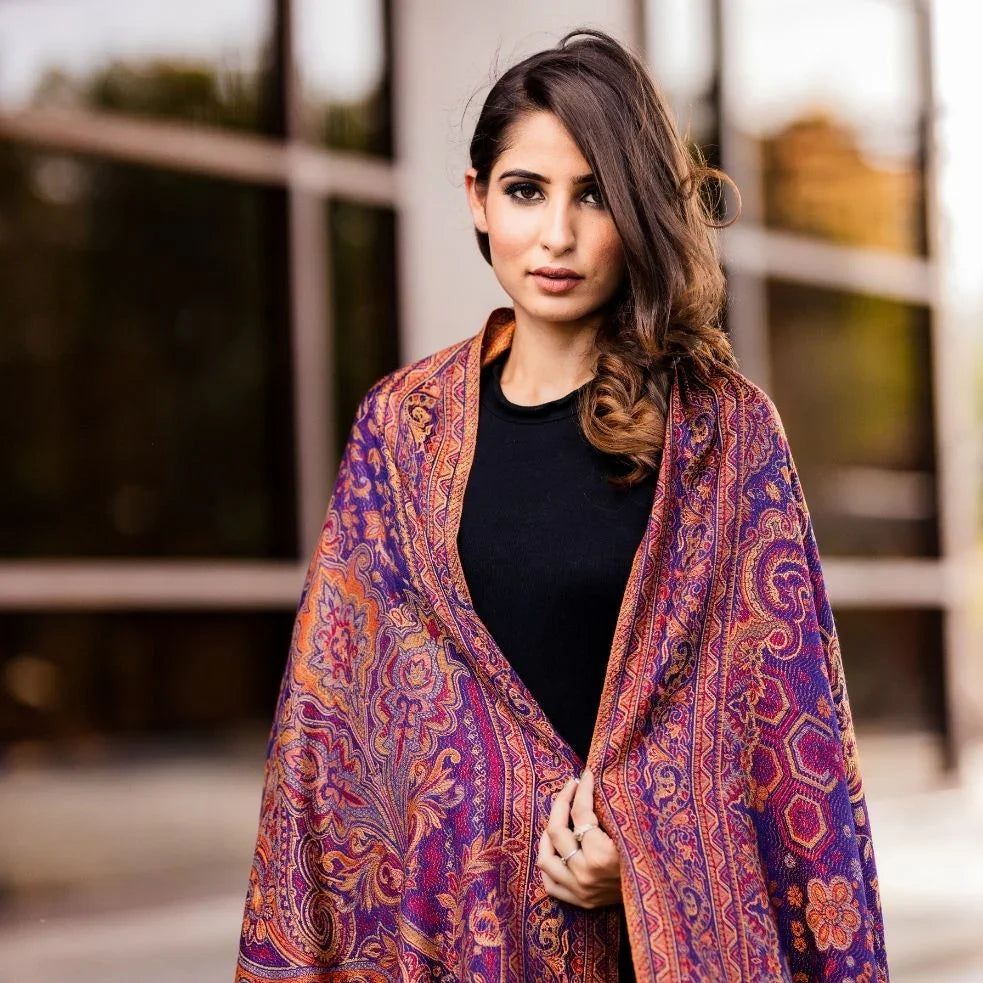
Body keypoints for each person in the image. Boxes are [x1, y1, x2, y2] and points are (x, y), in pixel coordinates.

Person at [236, 28, 889, 983]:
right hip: (453, 942)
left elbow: (787, 750)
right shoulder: (400, 431)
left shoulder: (721, 436)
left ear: (641, 210)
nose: (557, 235)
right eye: (526, 190)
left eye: (594, 195)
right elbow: (331, 739)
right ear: (477, 200)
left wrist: (643, 866)